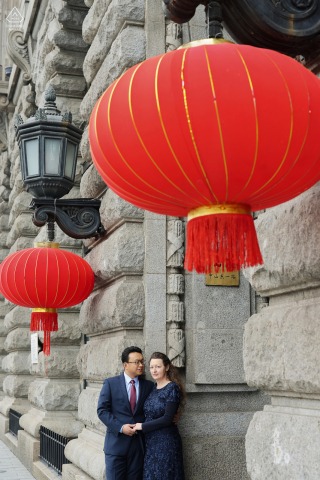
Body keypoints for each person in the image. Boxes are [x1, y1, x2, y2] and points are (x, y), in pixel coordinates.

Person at [97, 346, 153, 480]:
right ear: (125, 365)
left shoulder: (149, 386)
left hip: (138, 447)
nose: (141, 365)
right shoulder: (111, 383)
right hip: (116, 446)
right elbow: (102, 411)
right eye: (137, 362)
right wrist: (121, 428)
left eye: (142, 361)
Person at [133, 351, 185, 480]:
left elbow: (167, 419)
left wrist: (142, 426)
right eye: (151, 367)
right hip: (151, 443)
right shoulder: (153, 388)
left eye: (158, 366)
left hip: (166, 442)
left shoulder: (172, 388)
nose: (154, 370)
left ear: (166, 367)